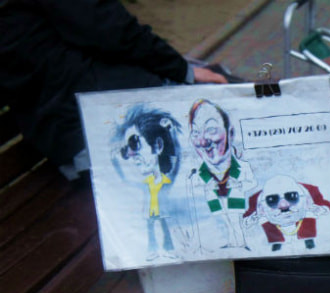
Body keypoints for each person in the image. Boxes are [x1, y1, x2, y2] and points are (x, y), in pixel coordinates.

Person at [0, 0, 227, 180]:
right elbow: (110, 29)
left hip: (68, 134)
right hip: (100, 127)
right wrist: (183, 70)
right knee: (223, 99)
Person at [187, 99, 257, 249]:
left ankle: (241, 243)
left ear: (230, 133)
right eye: (196, 132)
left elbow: (252, 183)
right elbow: (196, 190)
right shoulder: (200, 173)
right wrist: (204, 187)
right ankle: (231, 243)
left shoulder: (242, 167)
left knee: (235, 221)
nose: (203, 141)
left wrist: (239, 185)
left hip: (234, 199)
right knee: (225, 221)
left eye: (211, 129)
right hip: (216, 201)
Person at [115, 105, 182, 260]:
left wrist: (171, 133)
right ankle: (152, 249)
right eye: (127, 148)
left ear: (158, 146)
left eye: (135, 143)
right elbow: (125, 179)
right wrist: (116, 162)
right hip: (149, 209)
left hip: (160, 208)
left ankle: (169, 247)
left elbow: (176, 155)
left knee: (164, 226)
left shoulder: (166, 176)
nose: (131, 154)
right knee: (150, 227)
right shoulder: (144, 178)